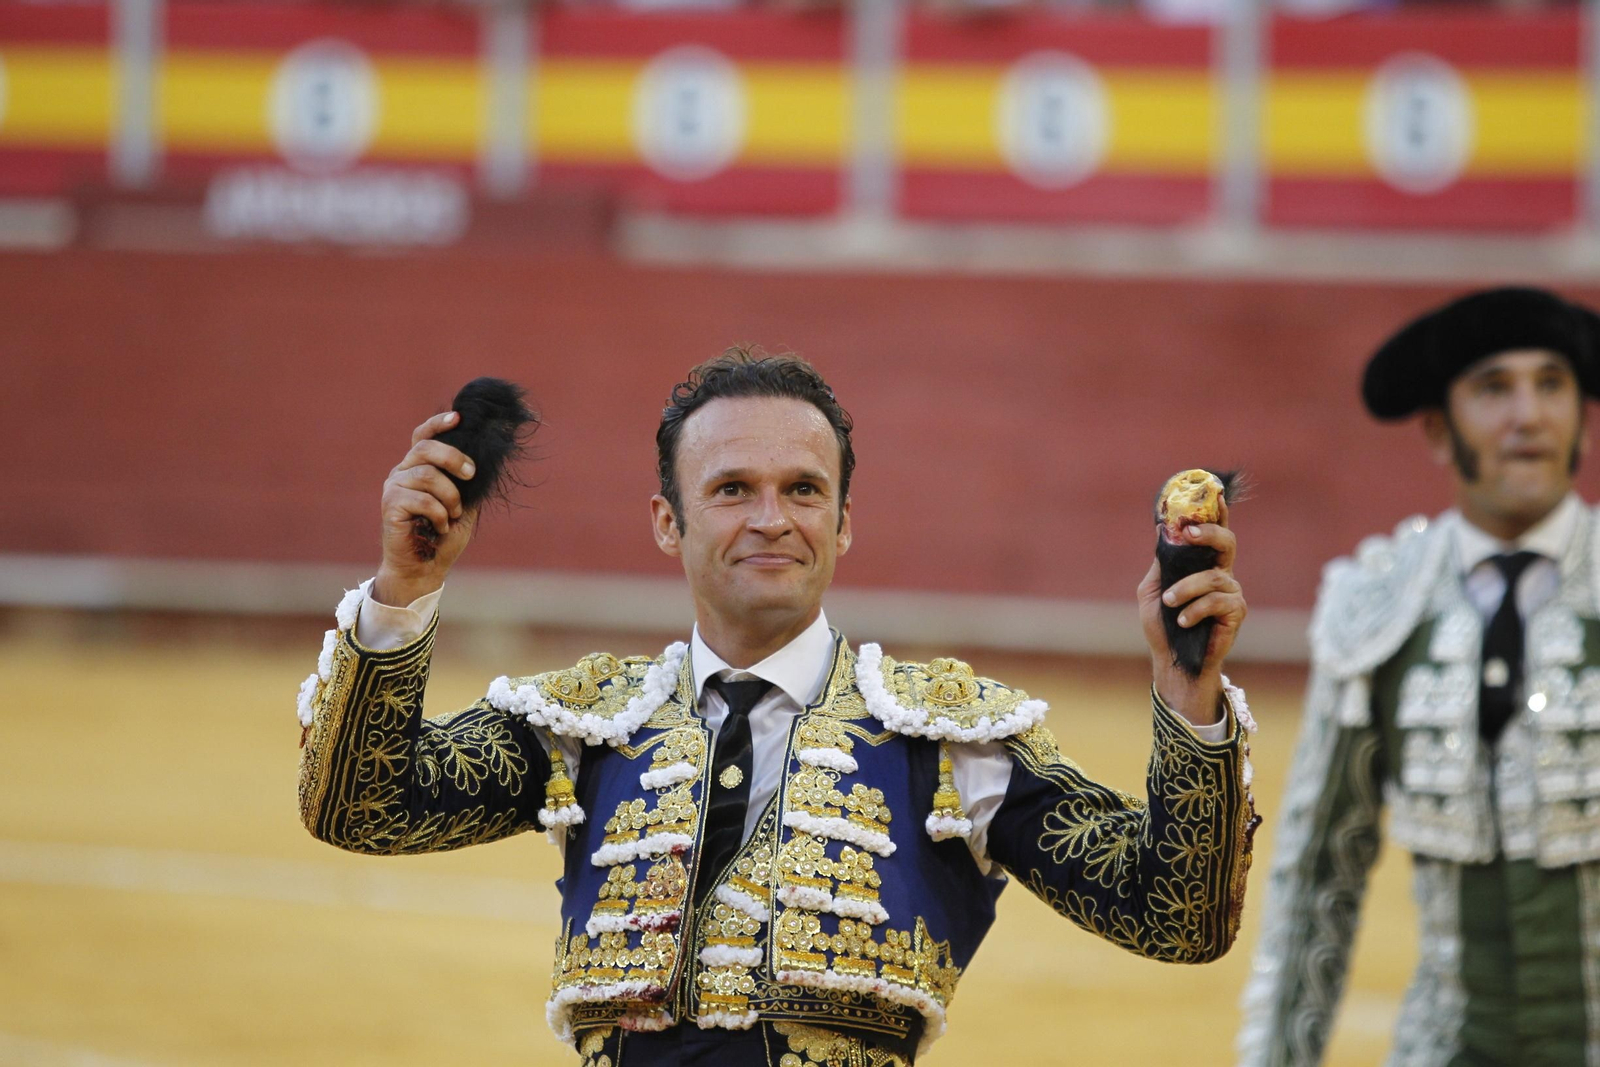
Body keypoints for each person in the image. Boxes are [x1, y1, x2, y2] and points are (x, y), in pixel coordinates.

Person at [297, 348, 1257, 1066]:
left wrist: (1189, 698)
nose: (771, 518)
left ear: (842, 522)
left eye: (804, 489)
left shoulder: (948, 741)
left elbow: (1173, 915)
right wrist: (405, 584)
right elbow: (362, 806)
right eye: (731, 489)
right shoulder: (585, 727)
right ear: (668, 521)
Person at [1237, 287, 1600, 1067]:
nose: (1528, 415)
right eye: (1494, 388)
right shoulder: (1381, 603)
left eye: (1552, 383)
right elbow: (1318, 869)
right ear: (1438, 430)